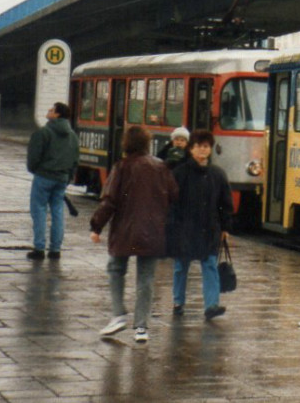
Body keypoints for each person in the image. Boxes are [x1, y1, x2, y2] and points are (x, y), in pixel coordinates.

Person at [90, 125, 179, 343]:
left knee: (116, 269)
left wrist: (96, 226)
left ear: (126, 144)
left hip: (125, 231)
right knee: (146, 278)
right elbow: (174, 195)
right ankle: (141, 327)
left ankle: (119, 314)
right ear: (147, 144)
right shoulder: (161, 167)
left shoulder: (121, 167)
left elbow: (109, 200)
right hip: (153, 232)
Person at [168, 129, 234, 320]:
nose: (202, 150)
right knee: (181, 266)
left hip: (209, 229)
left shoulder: (217, 174)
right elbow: (171, 202)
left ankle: (211, 305)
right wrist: (172, 225)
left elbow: (225, 203)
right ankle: (178, 301)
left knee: (210, 264)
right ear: (191, 149)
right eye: (199, 146)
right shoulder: (180, 173)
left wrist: (225, 227)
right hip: (185, 229)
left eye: (206, 147)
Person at [26, 102, 80, 260]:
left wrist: (35, 169)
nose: (48, 111)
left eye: (51, 110)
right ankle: (55, 249)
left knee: (39, 211)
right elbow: (75, 159)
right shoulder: (72, 135)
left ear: (57, 115)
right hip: (62, 178)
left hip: (44, 176)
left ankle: (39, 248)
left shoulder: (43, 132)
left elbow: (33, 157)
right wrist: (68, 176)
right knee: (57, 212)